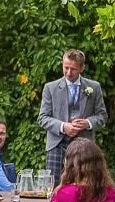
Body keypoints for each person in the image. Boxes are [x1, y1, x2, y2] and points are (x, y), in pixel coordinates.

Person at [37, 49, 108, 177]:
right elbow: (42, 118)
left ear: (82, 68)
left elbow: (102, 116)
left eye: (73, 69)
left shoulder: (94, 87)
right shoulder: (50, 88)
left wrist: (87, 123)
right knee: (55, 187)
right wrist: (63, 126)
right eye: (66, 67)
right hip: (57, 145)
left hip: (85, 146)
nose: (68, 73)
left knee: (86, 184)